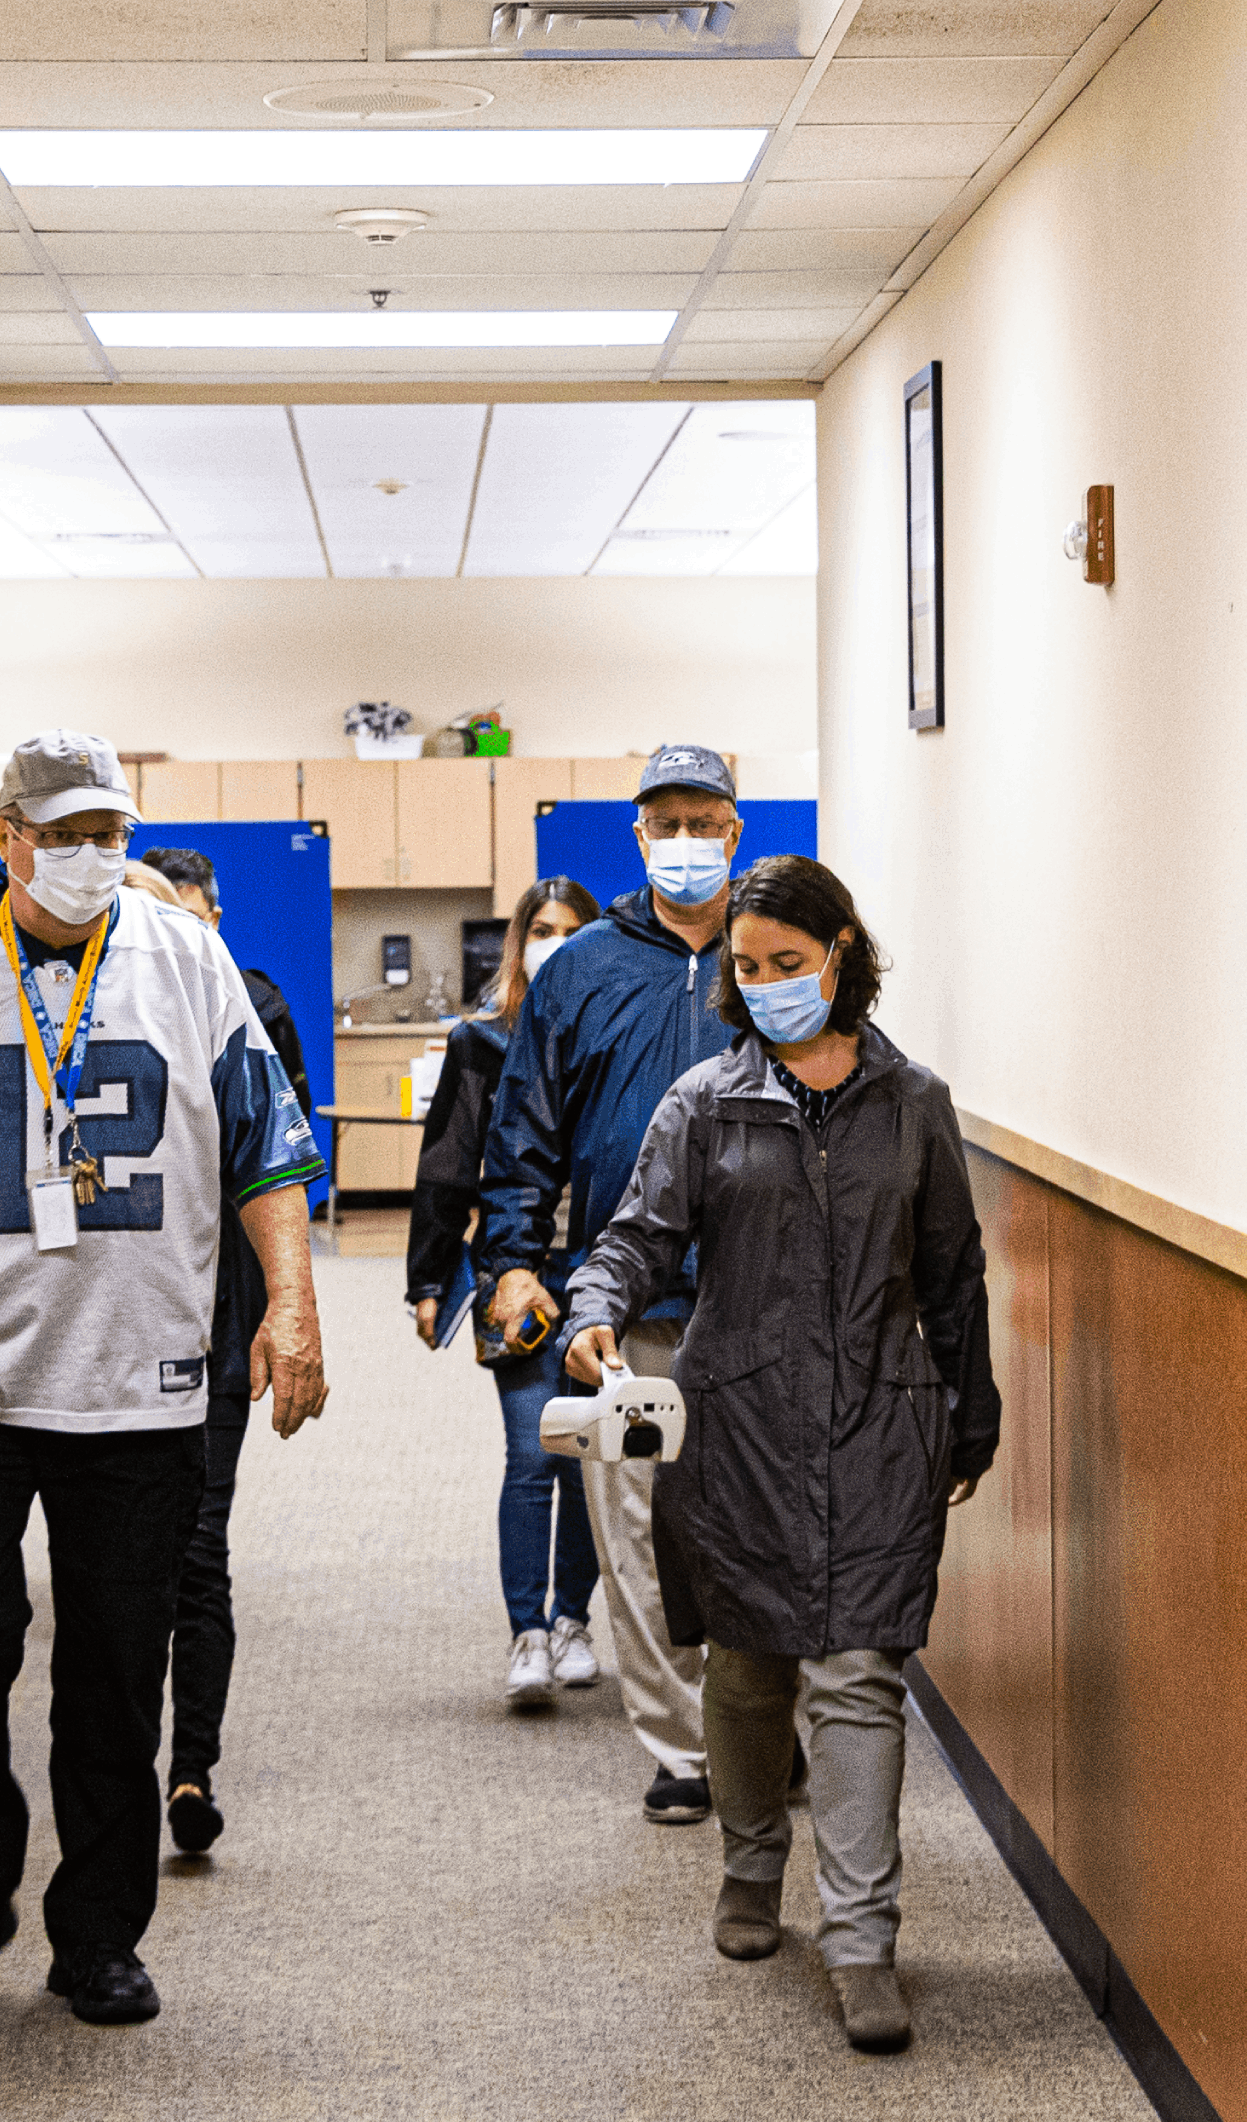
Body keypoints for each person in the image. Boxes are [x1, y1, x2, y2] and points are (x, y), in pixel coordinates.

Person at [0, 733, 330, 2034]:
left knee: (114, 1660)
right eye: (68, 830)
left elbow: (270, 1146)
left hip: (139, 1375)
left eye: (113, 827)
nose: (96, 853)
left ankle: (98, 1931)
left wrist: (293, 1303)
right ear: (10, 837)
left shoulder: (188, 959)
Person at [563, 853, 998, 2055]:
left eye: (787, 965)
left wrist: (972, 1414)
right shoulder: (704, 1102)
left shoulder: (914, 1106)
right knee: (750, 1669)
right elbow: (635, 1237)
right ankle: (751, 1867)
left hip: (879, 1419)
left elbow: (953, 1273)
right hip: (739, 1426)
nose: (763, 987)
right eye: (747, 970)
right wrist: (595, 1304)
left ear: (843, 953)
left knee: (861, 1674)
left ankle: (863, 1938)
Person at [473, 744, 748, 1819]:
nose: (686, 840)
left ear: (736, 831)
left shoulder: (776, 955)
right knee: (636, 1530)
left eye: (705, 821)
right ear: (639, 838)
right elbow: (523, 1131)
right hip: (625, 1311)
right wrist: (508, 1261)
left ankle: (753, 1721)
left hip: (760, 1301)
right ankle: (682, 1750)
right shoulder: (581, 967)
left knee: (753, 1521)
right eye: (666, 823)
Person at [125, 847, 334, 1859]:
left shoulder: (230, 1017)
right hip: (88, 1353)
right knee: (113, 1572)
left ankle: (190, 1767)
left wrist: (283, 1306)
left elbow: (276, 1167)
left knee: (198, 1552)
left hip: (207, 1327)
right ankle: (120, 1762)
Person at [408, 876, 611, 1709]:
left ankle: (573, 1621)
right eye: (541, 929)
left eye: (571, 930)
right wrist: (427, 1279)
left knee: (588, 1456)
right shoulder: (481, 1044)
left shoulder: (613, 1036)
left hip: (604, 1272)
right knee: (533, 1453)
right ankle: (527, 1629)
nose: (553, 942)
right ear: (519, 941)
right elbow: (447, 1165)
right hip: (514, 1269)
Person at [142, 846, 312, 1118]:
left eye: (188, 918)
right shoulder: (113, 1003)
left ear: (214, 921)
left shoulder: (260, 1006)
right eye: (159, 917)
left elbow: (289, 1118)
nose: (173, 933)